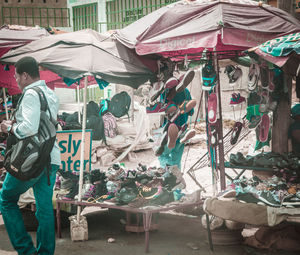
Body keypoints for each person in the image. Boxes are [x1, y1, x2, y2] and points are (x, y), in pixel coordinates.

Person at [0, 56, 61, 255]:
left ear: (25, 75)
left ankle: (26, 251)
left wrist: (10, 128)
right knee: (44, 210)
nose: (16, 80)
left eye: (17, 76)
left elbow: (29, 128)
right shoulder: (50, 94)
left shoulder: (31, 94)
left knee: (6, 199)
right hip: (50, 159)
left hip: (29, 161)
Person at [158, 87, 196, 170]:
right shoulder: (185, 91)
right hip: (182, 127)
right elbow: (191, 112)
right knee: (177, 158)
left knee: (163, 155)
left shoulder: (164, 92)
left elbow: (160, 110)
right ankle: (177, 177)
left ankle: (169, 173)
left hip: (168, 130)